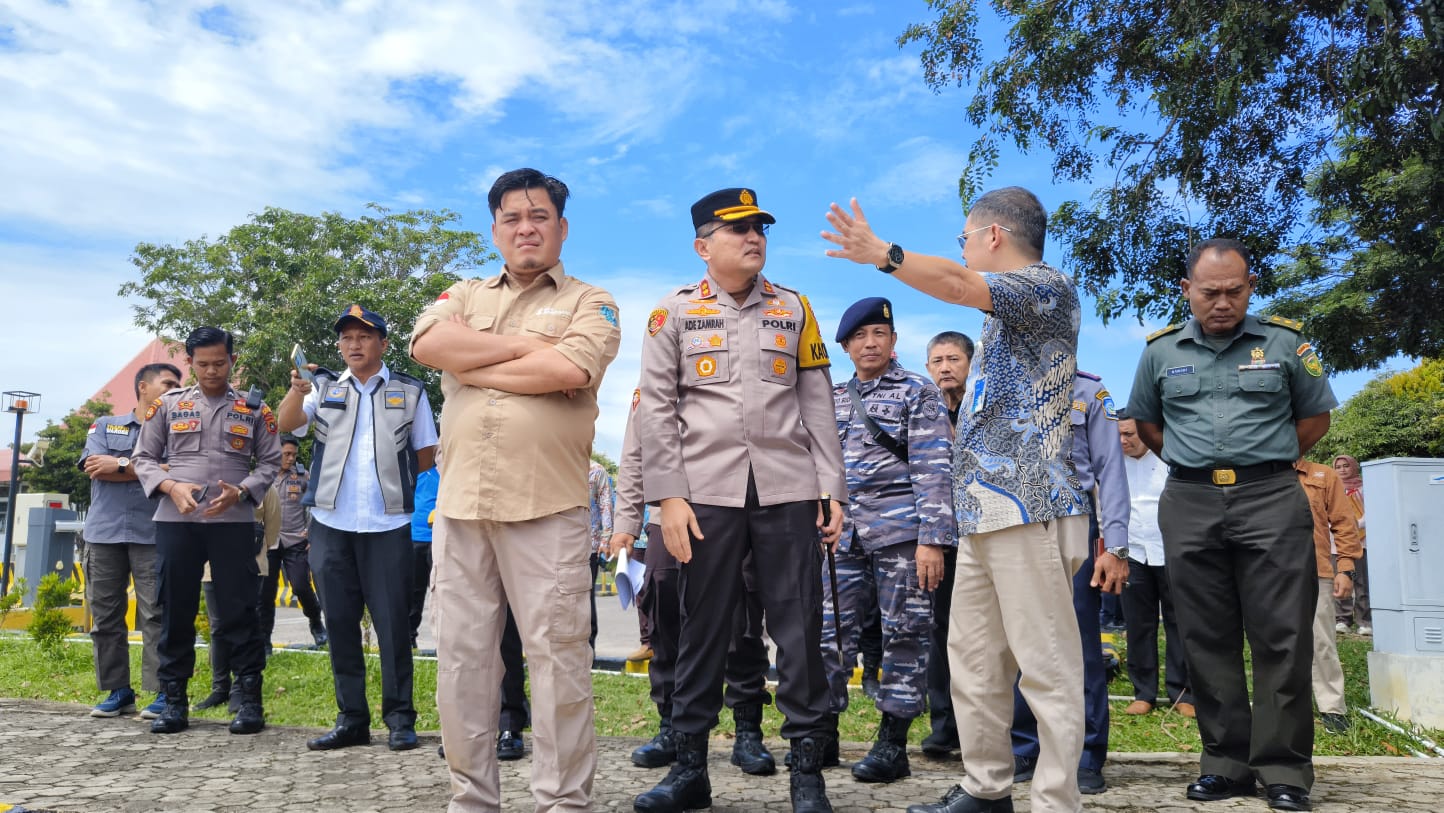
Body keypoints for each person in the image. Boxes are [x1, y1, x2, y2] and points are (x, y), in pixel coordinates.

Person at [824, 186, 1091, 813]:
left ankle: (1056, 800)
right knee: (973, 663)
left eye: (965, 238)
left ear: (993, 235)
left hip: (1030, 509)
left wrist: (881, 253)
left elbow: (954, 284)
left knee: (1047, 668)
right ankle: (985, 787)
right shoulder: (1000, 320)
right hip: (980, 516)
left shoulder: (1045, 287)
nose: (963, 250)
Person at [410, 167, 621, 813]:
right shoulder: (464, 292)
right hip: (463, 505)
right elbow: (427, 342)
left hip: (548, 507)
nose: (525, 227)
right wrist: (522, 350)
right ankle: (471, 800)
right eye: (511, 217)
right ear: (496, 229)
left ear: (561, 226)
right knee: (464, 662)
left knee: (558, 663)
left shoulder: (592, 300)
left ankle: (563, 802)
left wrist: (474, 362)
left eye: (538, 215)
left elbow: (570, 365)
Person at [634, 186, 845, 813]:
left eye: (760, 228)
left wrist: (831, 486)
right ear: (704, 246)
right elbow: (658, 412)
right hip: (706, 498)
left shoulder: (795, 308)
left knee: (800, 630)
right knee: (703, 632)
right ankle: (690, 768)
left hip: (787, 489)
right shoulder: (670, 314)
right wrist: (668, 497)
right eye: (737, 229)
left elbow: (817, 405)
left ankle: (806, 776)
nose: (753, 238)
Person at [1126, 237, 1337, 812]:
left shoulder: (1287, 344)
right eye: (1210, 292)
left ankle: (1284, 769)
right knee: (1205, 635)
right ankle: (1224, 762)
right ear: (1187, 290)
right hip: (1191, 500)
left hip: (1270, 497)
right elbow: (1147, 425)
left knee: (1282, 636)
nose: (1223, 302)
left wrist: (1261, 463)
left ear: (1250, 287)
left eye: (1235, 291)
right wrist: (1200, 465)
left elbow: (1314, 417)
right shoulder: (1160, 353)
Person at [277, 304, 438, 753]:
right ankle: (351, 719)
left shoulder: (410, 390)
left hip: (389, 525)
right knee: (341, 624)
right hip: (331, 523)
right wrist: (295, 391)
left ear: (383, 343)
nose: (354, 345)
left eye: (364, 337)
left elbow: (426, 452)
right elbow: (289, 424)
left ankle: (400, 718)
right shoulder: (322, 385)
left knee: (393, 627)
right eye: (346, 338)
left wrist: (394, 481)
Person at [607, 386, 779, 777]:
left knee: (741, 621)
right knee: (665, 623)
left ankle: (747, 728)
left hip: (734, 516)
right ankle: (672, 727)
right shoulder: (648, 391)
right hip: (663, 522)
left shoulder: (732, 377)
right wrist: (625, 526)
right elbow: (635, 458)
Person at [825, 297, 954, 784]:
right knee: (829, 632)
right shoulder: (832, 397)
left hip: (903, 533)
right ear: (846, 347)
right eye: (859, 336)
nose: (870, 342)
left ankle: (891, 744)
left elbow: (934, 467)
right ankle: (824, 734)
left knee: (906, 633)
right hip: (840, 533)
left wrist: (932, 539)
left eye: (879, 333)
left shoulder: (918, 392)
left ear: (894, 341)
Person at [132, 326, 282, 736]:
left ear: (232, 360)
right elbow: (143, 458)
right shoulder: (167, 405)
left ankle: (249, 701)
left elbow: (270, 463)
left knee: (239, 611)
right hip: (176, 522)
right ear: (190, 364)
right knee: (174, 608)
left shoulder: (254, 409)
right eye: (202, 364)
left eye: (219, 363)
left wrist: (243, 492)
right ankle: (174, 702)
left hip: (231, 523)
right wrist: (170, 485)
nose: (212, 371)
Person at [1010, 370, 1129, 795]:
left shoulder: (1090, 391)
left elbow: (1111, 469)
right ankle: (1024, 746)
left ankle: (1086, 752)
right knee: (1019, 639)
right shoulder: (1001, 381)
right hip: (1013, 523)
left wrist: (1115, 546)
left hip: (1073, 522)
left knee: (1078, 642)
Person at [80, 362, 182, 720]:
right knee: (105, 617)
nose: (174, 390)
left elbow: (176, 470)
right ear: (143, 387)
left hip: (153, 533)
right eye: (168, 383)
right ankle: (118, 690)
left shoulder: (174, 430)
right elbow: (95, 465)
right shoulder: (107, 425)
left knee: (156, 615)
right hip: (104, 534)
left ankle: (161, 693)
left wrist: (120, 465)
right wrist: (146, 468)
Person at [1115, 413, 1193, 719]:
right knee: (1138, 625)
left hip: (1170, 550)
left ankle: (1183, 691)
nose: (1124, 441)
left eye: (1130, 434)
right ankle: (1143, 692)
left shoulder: (1169, 459)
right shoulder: (1113, 465)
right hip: (1132, 553)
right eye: (1119, 435)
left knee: (1179, 623)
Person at [920, 330, 974, 757]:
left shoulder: (984, 410)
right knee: (940, 632)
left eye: (953, 359)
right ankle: (945, 724)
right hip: (941, 539)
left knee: (986, 634)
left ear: (970, 363)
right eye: (937, 361)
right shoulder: (922, 413)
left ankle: (990, 727)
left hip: (985, 534)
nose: (945, 368)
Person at [196, 484, 278, 713]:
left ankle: (241, 690)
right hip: (213, 566)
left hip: (250, 565)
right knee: (218, 627)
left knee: (245, 624)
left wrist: (257, 554)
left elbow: (272, 528)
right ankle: (219, 687)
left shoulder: (264, 486)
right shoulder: (211, 482)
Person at [1296, 458, 1362, 734]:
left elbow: (1344, 524)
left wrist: (1345, 569)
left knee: (1321, 641)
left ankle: (1332, 708)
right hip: (1267, 574)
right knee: (1273, 643)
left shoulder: (1322, 475)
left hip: (1316, 570)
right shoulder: (1260, 472)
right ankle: (1286, 707)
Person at [255, 435, 325, 653]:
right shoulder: (263, 476)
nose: (291, 458)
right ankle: (264, 639)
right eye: (287, 454)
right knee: (265, 593)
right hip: (269, 541)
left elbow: (318, 503)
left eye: (293, 454)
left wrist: (312, 532)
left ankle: (315, 622)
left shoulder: (303, 476)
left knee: (301, 585)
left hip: (296, 540)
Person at [1331, 454, 1370, 635]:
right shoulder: (1331, 487)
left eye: (1346, 466)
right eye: (1338, 467)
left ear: (1353, 467)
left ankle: (1365, 621)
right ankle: (1342, 619)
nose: (1342, 469)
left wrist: (1356, 525)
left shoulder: (1365, 488)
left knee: (1362, 582)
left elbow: (1372, 510)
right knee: (1340, 581)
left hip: (1361, 541)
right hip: (1336, 542)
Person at [410, 464, 439, 650]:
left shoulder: (450, 470)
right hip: (415, 537)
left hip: (440, 537)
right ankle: (408, 637)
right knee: (414, 592)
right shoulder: (418, 471)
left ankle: (446, 643)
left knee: (443, 592)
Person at [587, 458, 614, 650]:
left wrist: (605, 541)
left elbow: (606, 507)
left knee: (585, 599)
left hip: (589, 547)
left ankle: (588, 649)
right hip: (555, 546)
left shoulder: (596, 471)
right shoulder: (557, 464)